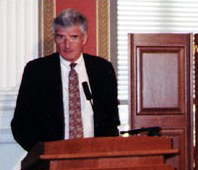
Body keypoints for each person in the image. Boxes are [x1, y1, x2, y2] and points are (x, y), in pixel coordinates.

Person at [11, 9, 120, 151]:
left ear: (84, 38)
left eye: (73, 37)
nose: (67, 45)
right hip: (52, 161)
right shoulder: (37, 71)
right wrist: (42, 153)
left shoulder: (102, 69)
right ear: (55, 38)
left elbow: (111, 120)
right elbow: (20, 125)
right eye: (61, 37)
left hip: (95, 159)